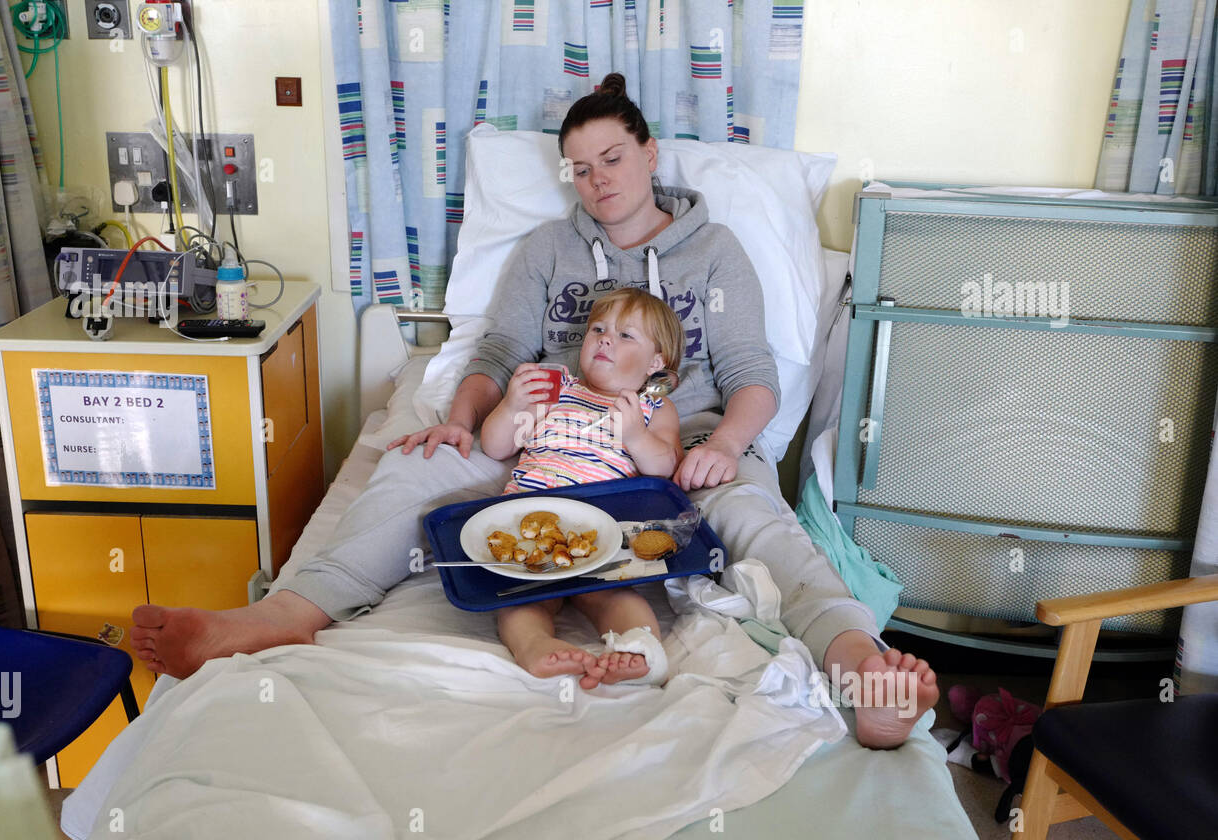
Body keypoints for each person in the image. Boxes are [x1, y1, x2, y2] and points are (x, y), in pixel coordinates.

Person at [132, 72, 938, 749]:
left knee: (759, 518)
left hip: (676, 433)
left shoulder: (715, 252)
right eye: (580, 168)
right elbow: (494, 352)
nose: (599, 180)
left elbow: (753, 374)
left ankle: (855, 662)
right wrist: (463, 417)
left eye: (613, 158)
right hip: (543, 426)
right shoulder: (548, 252)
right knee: (415, 469)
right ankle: (285, 614)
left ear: (649, 153)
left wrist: (726, 444)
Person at [486, 287, 683, 688]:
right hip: (531, 522)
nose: (606, 338)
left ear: (656, 362)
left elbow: (665, 466)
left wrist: (635, 436)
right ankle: (536, 645)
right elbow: (496, 445)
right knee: (520, 596)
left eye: (626, 335)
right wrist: (510, 406)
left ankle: (639, 648)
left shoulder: (651, 408)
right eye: (598, 329)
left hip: (605, 530)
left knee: (617, 597)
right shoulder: (556, 389)